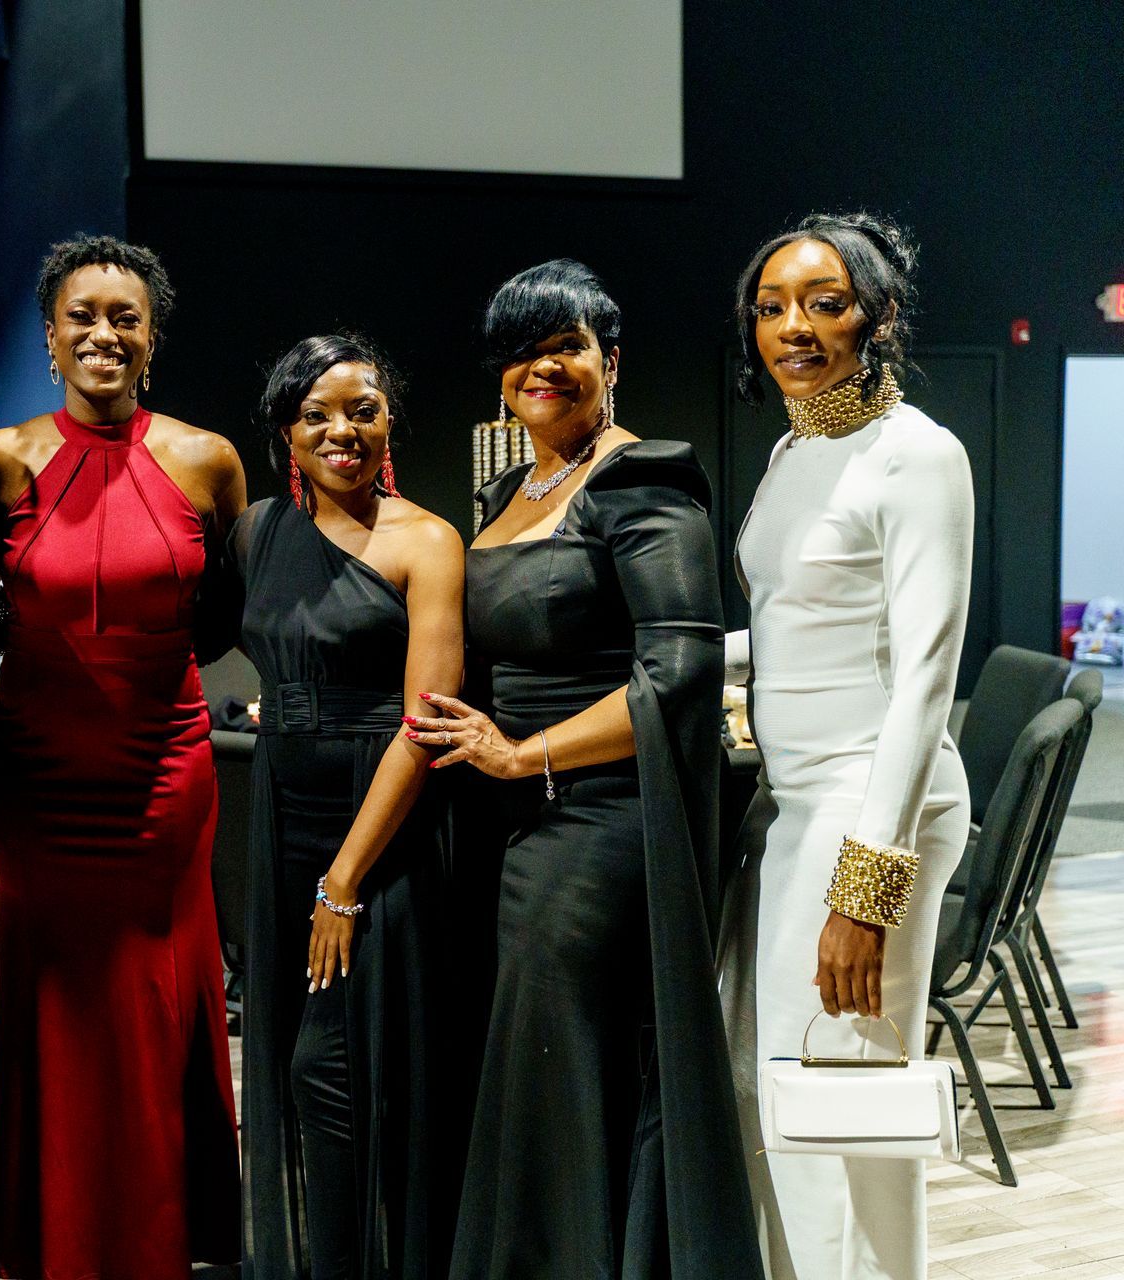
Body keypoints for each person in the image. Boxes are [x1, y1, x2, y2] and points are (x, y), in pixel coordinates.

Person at [415, 260, 760, 1277]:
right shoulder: (510, 489)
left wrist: (521, 752)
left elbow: (682, 667)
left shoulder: (641, 481)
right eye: (523, 352)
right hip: (515, 826)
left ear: (611, 358)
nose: (543, 368)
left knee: (562, 1064)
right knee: (538, 1063)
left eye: (566, 344)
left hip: (597, 823)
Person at [0, 235, 248, 1279]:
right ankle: (55, 1238)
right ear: (50, 337)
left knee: (154, 991)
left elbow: (221, 618)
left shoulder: (208, 458)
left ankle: (158, 1237)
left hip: (163, 771)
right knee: (57, 995)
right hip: (37, 771)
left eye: (124, 318)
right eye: (83, 316)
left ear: (151, 339)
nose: (103, 334)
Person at [716, 213, 971, 1280]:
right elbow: (788, 618)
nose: (794, 325)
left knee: (843, 1106)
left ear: (878, 315)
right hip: (796, 808)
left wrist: (866, 886)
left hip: (875, 808)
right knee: (774, 1086)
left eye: (824, 302)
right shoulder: (796, 445)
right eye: (772, 306)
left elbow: (925, 675)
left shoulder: (917, 455)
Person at [235, 335, 466, 1278]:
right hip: (279, 820)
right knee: (296, 1074)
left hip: (380, 833)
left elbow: (426, 725)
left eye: (363, 410)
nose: (343, 430)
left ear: (389, 421)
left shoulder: (427, 541)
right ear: (287, 431)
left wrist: (343, 882)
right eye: (317, 414)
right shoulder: (256, 531)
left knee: (334, 1077)